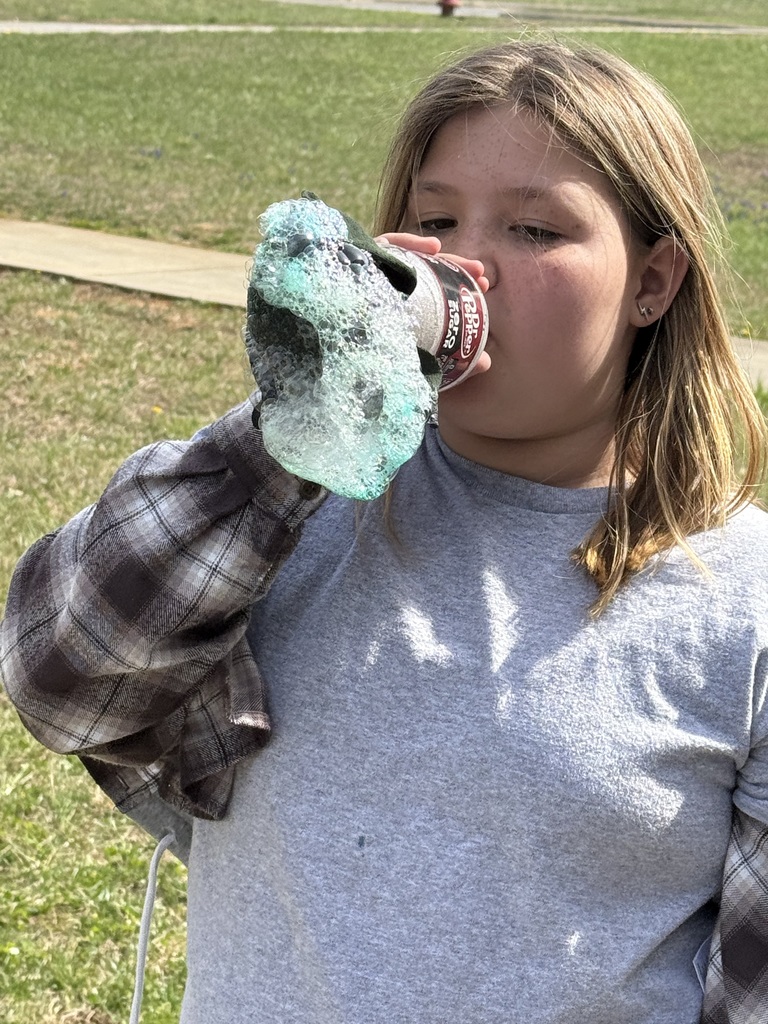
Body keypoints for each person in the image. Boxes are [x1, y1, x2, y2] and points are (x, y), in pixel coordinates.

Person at [1, 37, 767, 1024]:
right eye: (436, 218)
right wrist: (292, 428)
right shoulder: (289, 511)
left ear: (653, 283)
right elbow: (60, 677)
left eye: (536, 231)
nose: (473, 265)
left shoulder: (739, 600)